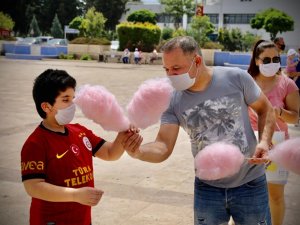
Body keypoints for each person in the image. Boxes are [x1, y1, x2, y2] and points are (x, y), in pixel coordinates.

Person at [126, 36, 275, 225]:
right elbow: (163, 145)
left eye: (176, 68)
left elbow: (266, 109)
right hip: (208, 187)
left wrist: (263, 141)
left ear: (196, 61)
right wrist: (138, 151)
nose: (170, 75)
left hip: (250, 182)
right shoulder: (172, 100)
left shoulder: (236, 78)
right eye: (166, 69)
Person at [20, 69, 142, 225]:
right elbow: (33, 187)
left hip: (81, 219)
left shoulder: (80, 131)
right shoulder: (35, 143)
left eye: (73, 99)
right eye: (65, 100)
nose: (72, 105)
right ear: (46, 106)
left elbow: (110, 153)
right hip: (51, 220)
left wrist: (123, 134)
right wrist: (75, 195)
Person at [248, 40, 299, 225]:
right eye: (266, 59)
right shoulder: (246, 82)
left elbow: (295, 117)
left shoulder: (287, 84)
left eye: (275, 58)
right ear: (256, 61)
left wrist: (280, 112)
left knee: (275, 195)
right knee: (243, 193)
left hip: (278, 144)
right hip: (249, 140)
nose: (271, 63)